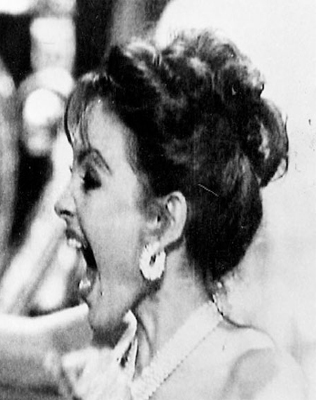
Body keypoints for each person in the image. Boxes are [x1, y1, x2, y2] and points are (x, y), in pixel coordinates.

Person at [52, 30, 307, 399]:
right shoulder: (102, 353)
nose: (62, 203)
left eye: (90, 179)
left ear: (163, 222)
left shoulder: (262, 380)